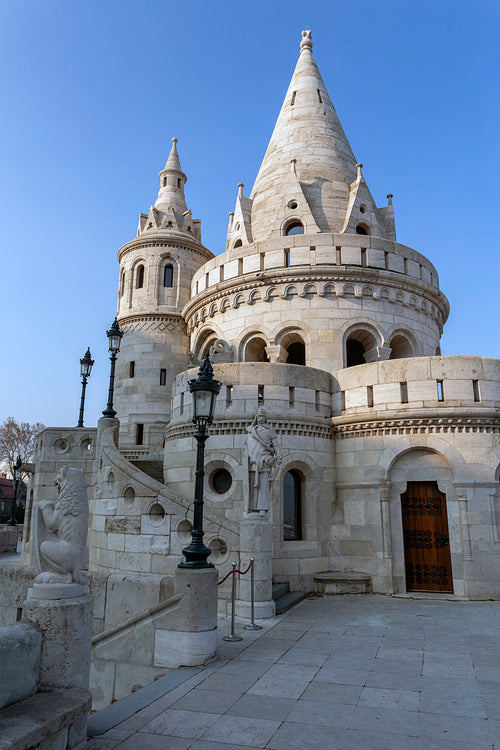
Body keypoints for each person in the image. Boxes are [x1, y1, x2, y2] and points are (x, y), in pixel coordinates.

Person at [246, 407, 282, 511]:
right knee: (252, 486)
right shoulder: (251, 430)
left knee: (263, 486)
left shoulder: (270, 430)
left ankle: (262, 507)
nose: (261, 418)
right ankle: (251, 507)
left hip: (265, 461)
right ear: (256, 417)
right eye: (259, 416)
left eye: (262, 416)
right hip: (253, 461)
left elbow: (276, 445)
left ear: (265, 417)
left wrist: (279, 455)